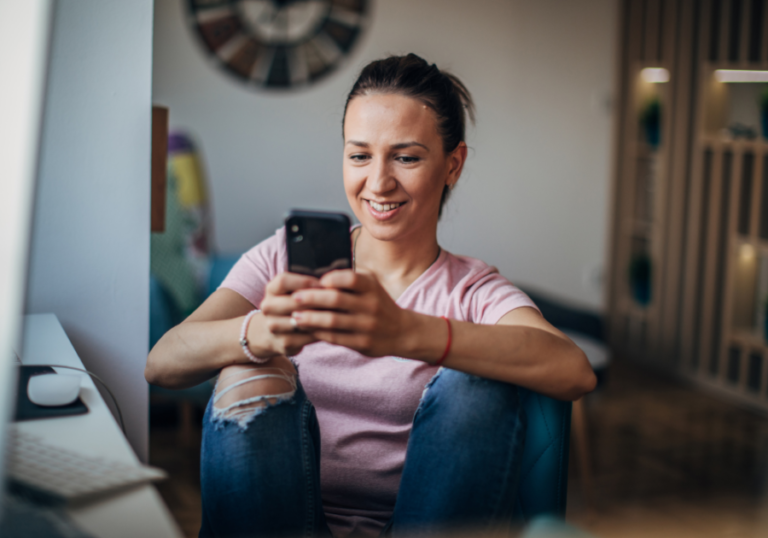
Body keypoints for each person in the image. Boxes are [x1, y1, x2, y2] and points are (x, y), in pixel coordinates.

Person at [145, 53, 596, 538]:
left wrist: (407, 333)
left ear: (453, 164)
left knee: (479, 377)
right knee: (245, 366)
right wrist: (260, 331)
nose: (378, 183)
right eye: (360, 155)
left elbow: (573, 370)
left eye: (406, 157)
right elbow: (162, 362)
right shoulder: (280, 258)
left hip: (416, 525)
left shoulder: (472, 290)